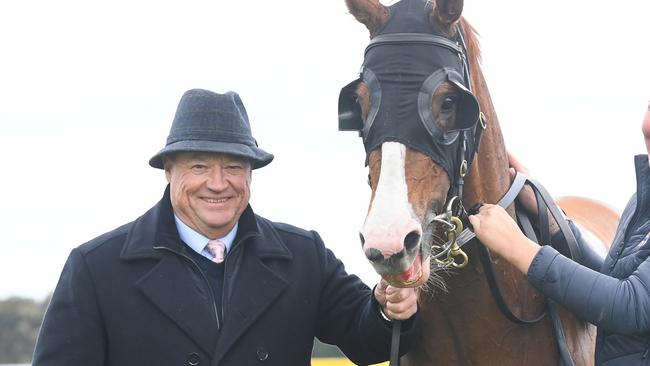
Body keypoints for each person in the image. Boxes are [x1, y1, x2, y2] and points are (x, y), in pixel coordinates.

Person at [32, 89, 419, 366]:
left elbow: (368, 340)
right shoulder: (96, 268)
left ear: (250, 173)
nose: (218, 183)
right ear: (169, 171)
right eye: (199, 165)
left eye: (234, 167)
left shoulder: (303, 256)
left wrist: (389, 307)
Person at [469, 102, 650, 365]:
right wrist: (551, 221)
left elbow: (631, 304)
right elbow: (608, 282)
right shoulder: (641, 201)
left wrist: (519, 248)